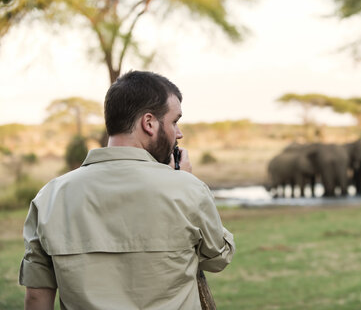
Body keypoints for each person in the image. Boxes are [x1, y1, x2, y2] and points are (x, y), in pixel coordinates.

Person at [19, 70, 235, 310]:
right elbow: (218, 257)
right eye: (174, 121)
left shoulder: (50, 196)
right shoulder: (187, 188)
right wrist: (184, 183)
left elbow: (37, 297)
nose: (179, 133)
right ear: (149, 123)